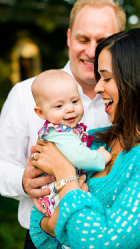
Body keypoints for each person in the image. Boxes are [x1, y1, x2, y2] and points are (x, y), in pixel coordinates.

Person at [28, 27, 140, 248]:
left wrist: (65, 176)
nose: (98, 87)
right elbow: (37, 224)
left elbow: (104, 241)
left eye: (107, 78)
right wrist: (52, 223)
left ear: (139, 80)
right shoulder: (92, 139)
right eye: (99, 77)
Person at [0, 0, 125, 248]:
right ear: (69, 37)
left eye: (102, 42)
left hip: (109, 238)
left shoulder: (130, 100)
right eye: (83, 39)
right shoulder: (24, 94)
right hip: (44, 237)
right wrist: (24, 181)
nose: (91, 51)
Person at [31, 70, 112, 219]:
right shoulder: (58, 133)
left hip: (66, 190)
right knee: (76, 223)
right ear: (41, 113)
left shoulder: (66, 131)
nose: (70, 109)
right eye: (59, 106)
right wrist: (100, 157)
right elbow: (79, 157)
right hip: (57, 196)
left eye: (75, 101)